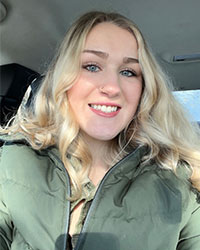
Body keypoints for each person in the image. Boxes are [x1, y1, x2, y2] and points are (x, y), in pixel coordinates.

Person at [0, 11, 200, 250]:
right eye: (92, 66)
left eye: (128, 72)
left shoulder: (179, 184)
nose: (112, 87)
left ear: (144, 90)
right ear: (64, 78)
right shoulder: (13, 162)